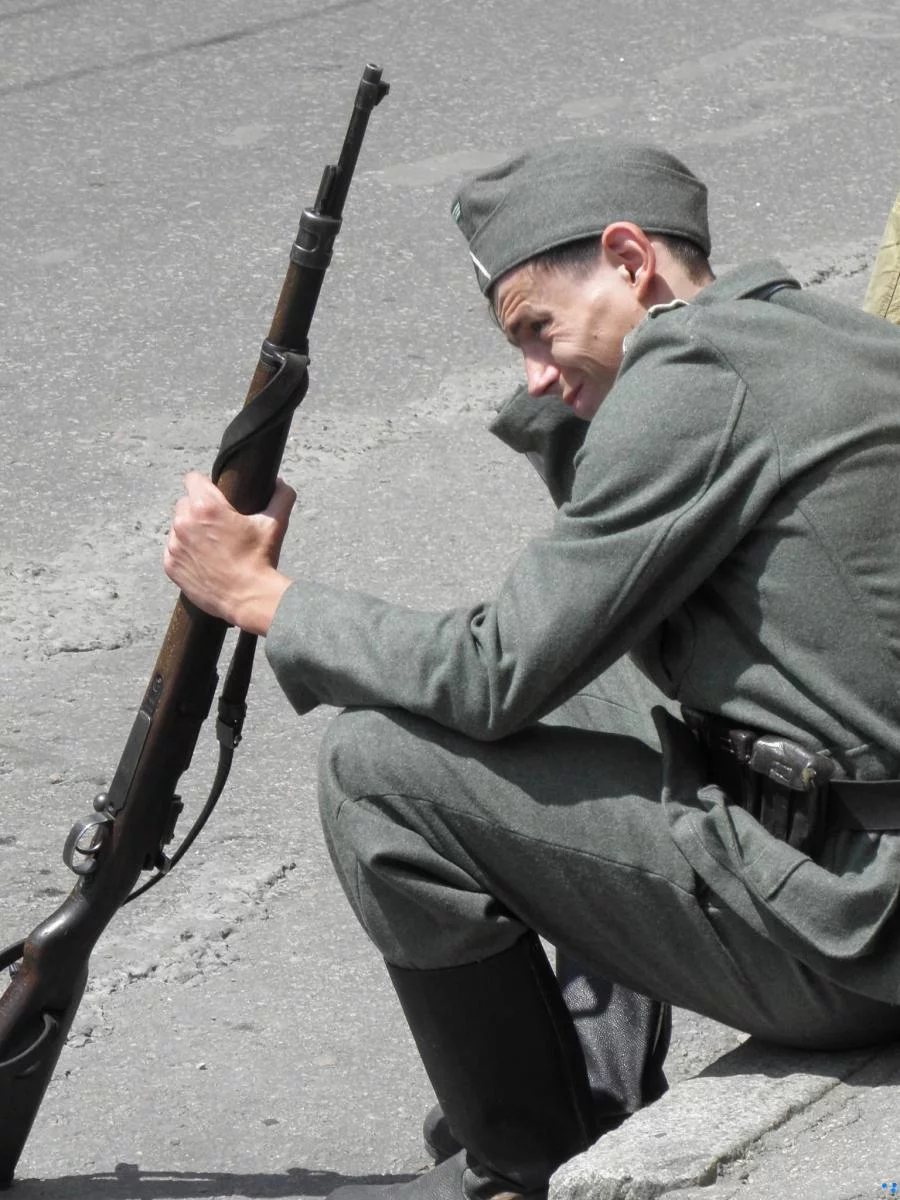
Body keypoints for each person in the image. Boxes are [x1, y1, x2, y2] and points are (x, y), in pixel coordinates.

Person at [163, 139, 900, 1200]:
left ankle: (525, 1163)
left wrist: (261, 598)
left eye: (536, 330)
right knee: (590, 693)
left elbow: (494, 672)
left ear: (629, 259)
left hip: (855, 937)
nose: (535, 374)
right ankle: (596, 1090)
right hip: (868, 850)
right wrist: (578, 399)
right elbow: (592, 623)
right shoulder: (814, 333)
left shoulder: (699, 377)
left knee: (378, 770)